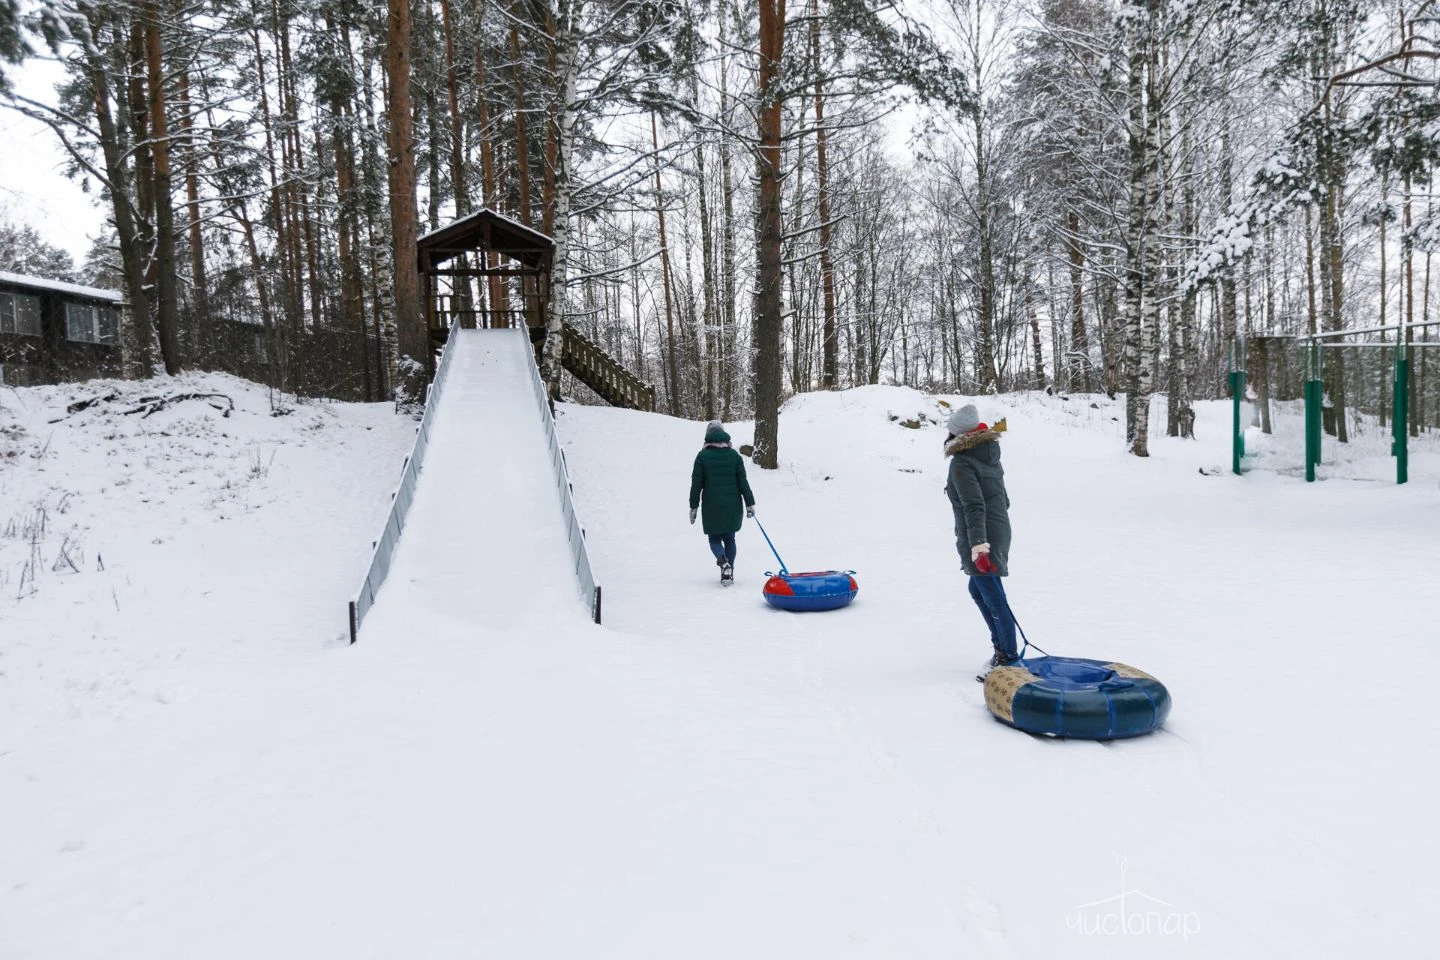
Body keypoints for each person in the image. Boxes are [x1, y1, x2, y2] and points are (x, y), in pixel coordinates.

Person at [943, 403, 1017, 668]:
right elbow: (1003, 499)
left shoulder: (962, 463)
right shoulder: (989, 454)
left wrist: (978, 546)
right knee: (978, 587)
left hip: (982, 536)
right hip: (998, 529)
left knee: (992, 594)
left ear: (957, 435)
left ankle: (1007, 656)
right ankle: (1002, 649)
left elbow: (973, 506)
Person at [689, 420, 756, 584]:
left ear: (708, 436)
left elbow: (696, 484)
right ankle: (729, 571)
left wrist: (693, 507)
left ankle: (723, 562)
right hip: (732, 505)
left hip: (712, 506)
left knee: (714, 539)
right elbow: (743, 482)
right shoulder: (734, 456)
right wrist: (749, 503)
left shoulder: (702, 456)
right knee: (730, 538)